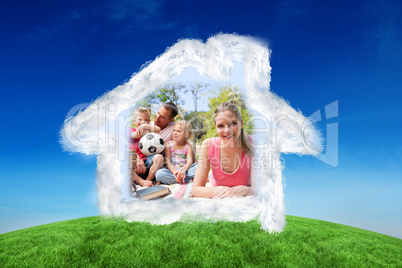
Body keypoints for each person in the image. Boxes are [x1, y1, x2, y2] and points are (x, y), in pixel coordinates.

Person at [191, 102, 253, 198]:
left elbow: (264, 187)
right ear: (215, 127)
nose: (227, 130)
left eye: (233, 123)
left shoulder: (253, 143)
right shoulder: (208, 145)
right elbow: (196, 189)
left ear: (241, 123)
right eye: (220, 126)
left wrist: (245, 189)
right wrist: (217, 191)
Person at [134, 102, 178, 186]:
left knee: (159, 160)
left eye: (162, 117)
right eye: (158, 113)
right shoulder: (146, 124)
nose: (157, 117)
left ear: (170, 120)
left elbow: (185, 145)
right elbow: (130, 143)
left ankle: (148, 181)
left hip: (156, 166)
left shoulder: (174, 129)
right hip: (140, 164)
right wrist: (136, 157)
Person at [155, 120, 197, 185]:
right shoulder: (168, 144)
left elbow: (190, 161)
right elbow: (168, 161)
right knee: (159, 174)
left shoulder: (188, 146)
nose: (175, 133)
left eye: (178, 131)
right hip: (172, 172)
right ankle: (186, 180)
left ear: (186, 134)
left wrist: (183, 170)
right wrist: (176, 173)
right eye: (174, 130)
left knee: (198, 167)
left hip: (185, 171)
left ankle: (180, 179)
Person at [130, 107, 161, 187]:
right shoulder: (131, 130)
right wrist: (139, 131)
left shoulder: (147, 132)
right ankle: (141, 182)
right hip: (133, 167)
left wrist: (145, 127)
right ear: (134, 121)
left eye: (146, 120)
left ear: (149, 122)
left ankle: (148, 180)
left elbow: (158, 129)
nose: (143, 122)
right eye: (140, 119)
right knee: (125, 160)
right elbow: (134, 135)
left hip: (146, 163)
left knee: (159, 157)